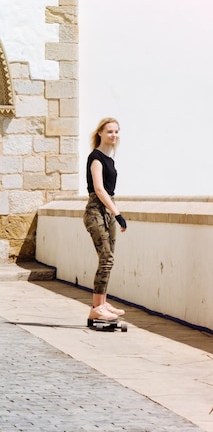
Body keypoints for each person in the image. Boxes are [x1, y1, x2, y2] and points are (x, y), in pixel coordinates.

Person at [83, 117, 127, 322]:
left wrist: (113, 213)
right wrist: (117, 213)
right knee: (106, 258)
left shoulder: (110, 159)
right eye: (110, 131)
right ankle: (96, 307)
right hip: (96, 211)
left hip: (107, 212)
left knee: (108, 260)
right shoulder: (96, 157)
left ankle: (101, 304)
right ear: (100, 132)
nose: (114, 135)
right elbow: (99, 189)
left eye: (116, 131)